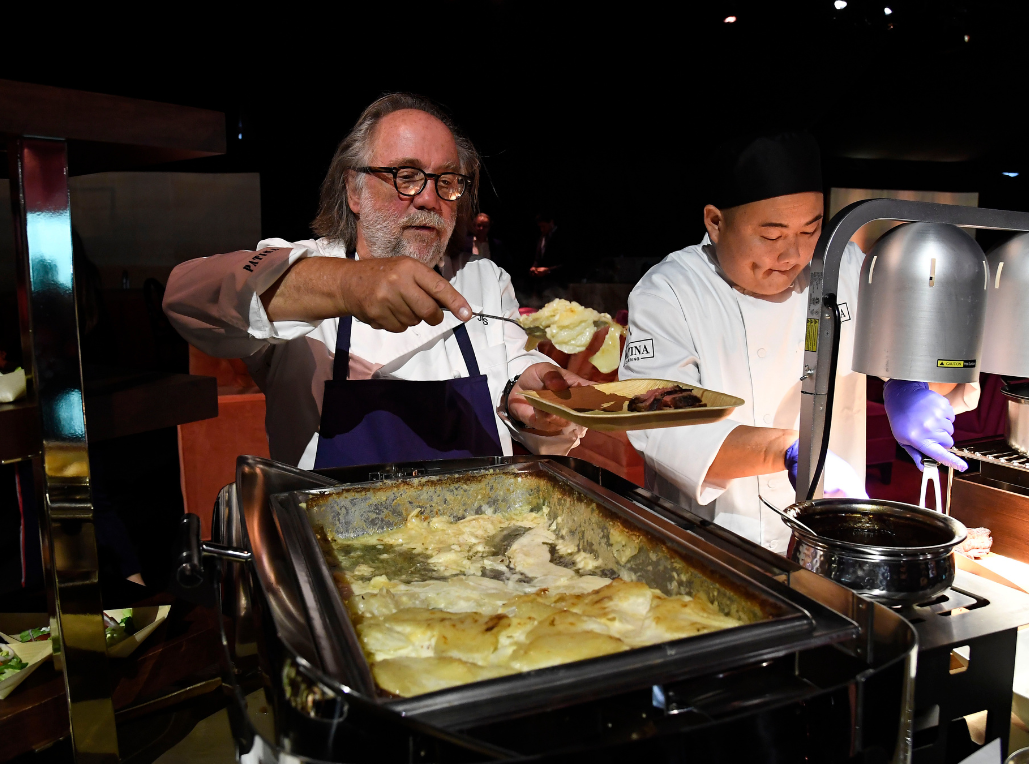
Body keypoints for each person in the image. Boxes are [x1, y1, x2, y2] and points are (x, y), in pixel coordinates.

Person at [164, 93, 588, 470]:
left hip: (475, 541)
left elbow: (514, 369)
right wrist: (346, 286)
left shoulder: (482, 280)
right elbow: (187, 296)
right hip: (335, 545)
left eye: (446, 181)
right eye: (406, 175)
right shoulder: (314, 266)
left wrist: (535, 403)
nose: (428, 198)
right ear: (354, 190)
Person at [619, 131, 977, 553]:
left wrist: (912, 382)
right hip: (709, 540)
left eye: (811, 230)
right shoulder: (670, 292)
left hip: (831, 536)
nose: (794, 255)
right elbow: (665, 428)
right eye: (772, 236)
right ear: (715, 222)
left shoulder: (841, 264)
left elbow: (929, 364)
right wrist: (789, 449)